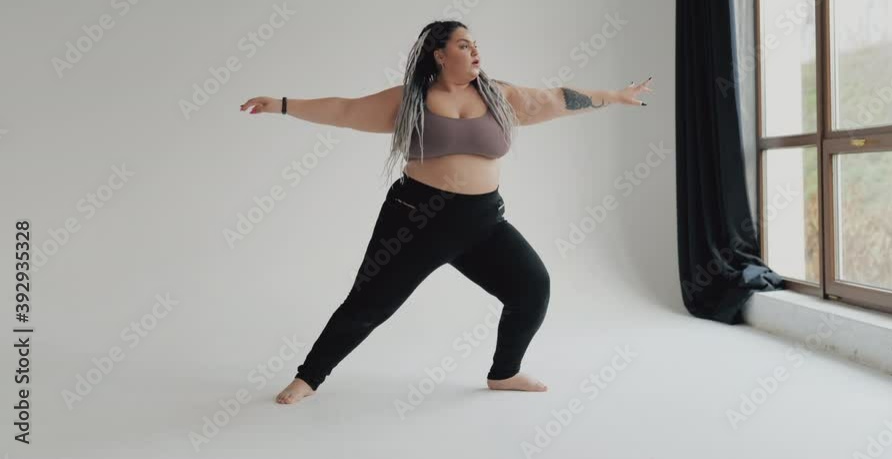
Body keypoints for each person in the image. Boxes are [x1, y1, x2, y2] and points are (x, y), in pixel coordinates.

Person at [239, 20, 653, 405]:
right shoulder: (411, 100)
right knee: (368, 304)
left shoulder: (499, 96)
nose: (475, 52)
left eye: (476, 45)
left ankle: (504, 373)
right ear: (439, 54)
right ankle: (308, 378)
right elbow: (346, 111)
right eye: (464, 45)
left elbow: (557, 99)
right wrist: (282, 104)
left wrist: (615, 97)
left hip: (482, 223)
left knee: (531, 287)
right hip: (414, 220)